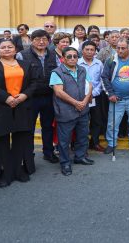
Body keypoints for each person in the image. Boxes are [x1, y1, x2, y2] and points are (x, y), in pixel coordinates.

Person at [0, 39, 37, 188]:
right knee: (0, 142)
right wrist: (6, 98)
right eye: (3, 47)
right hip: (0, 107)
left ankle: (17, 171)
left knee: (20, 140)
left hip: (22, 106)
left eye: (9, 47)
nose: (6, 49)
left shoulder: (25, 65)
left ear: (15, 49)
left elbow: (34, 83)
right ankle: (2, 174)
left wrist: (24, 95)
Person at [17, 30, 60, 163]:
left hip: (49, 96)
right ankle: (28, 154)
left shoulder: (54, 56)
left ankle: (48, 152)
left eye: (44, 39)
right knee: (29, 127)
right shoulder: (22, 55)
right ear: (31, 40)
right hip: (30, 97)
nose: (41, 42)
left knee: (47, 126)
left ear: (49, 41)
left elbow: (58, 74)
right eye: (37, 39)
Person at [50, 47, 94, 176]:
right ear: (63, 58)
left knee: (83, 135)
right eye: (69, 56)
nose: (73, 59)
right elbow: (58, 92)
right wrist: (76, 103)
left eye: (75, 56)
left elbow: (89, 85)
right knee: (64, 140)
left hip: (83, 110)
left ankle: (80, 157)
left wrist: (85, 101)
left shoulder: (82, 69)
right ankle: (65, 163)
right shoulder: (57, 72)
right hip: (66, 111)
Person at [101, 38, 129, 154]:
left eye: (123, 48)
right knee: (113, 123)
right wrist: (110, 94)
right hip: (117, 99)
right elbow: (104, 77)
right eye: (118, 48)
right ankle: (111, 144)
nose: (120, 50)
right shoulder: (111, 60)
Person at [79, 41, 105, 152]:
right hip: (80, 97)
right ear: (82, 50)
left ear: (95, 51)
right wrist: (86, 95)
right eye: (87, 49)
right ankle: (81, 144)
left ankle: (94, 142)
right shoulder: (77, 63)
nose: (89, 52)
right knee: (82, 121)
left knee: (97, 120)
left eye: (92, 50)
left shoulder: (99, 63)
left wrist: (93, 93)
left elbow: (102, 79)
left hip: (96, 96)